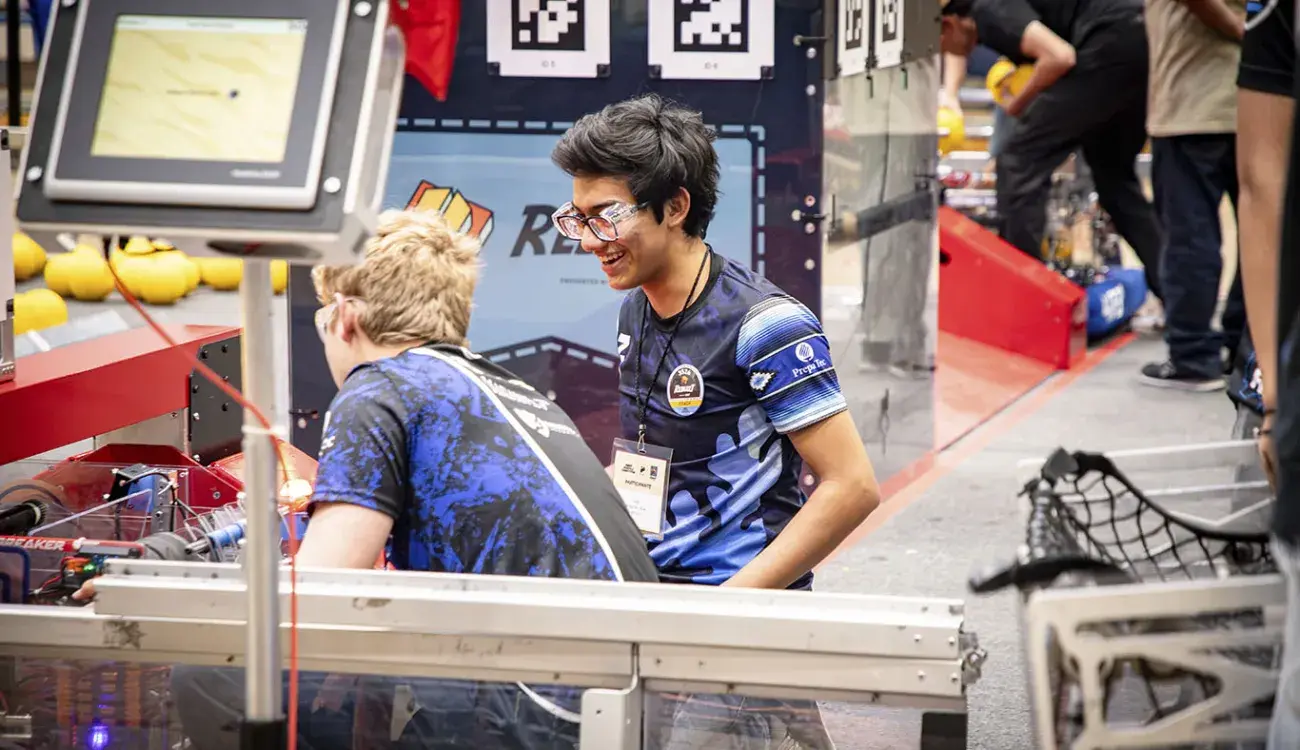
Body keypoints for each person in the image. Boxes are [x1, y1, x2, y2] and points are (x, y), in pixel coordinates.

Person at [84, 210, 660, 750]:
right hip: (624, 703)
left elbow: (318, 592)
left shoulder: (382, 388)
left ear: (344, 316)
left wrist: (170, 581)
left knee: (217, 675)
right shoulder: (503, 389)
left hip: (545, 716)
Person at [550, 94, 881, 747]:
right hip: (656, 605)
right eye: (577, 219)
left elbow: (853, 486)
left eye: (606, 217)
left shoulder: (767, 324)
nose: (589, 241)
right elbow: (655, 459)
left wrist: (729, 606)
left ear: (674, 207)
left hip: (736, 626)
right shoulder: (636, 307)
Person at [939, 0, 1165, 302]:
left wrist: (1019, 103)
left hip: (1110, 42)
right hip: (1142, 39)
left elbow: (1059, 57)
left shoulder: (988, 9)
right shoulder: (989, 15)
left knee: (1018, 160)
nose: (945, 52)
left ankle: (1025, 300)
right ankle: (1181, 303)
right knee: (1114, 179)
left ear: (949, 24)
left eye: (940, 45)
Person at [1137, 0, 1247, 391]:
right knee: (1261, 236)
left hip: (1192, 104)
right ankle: (1244, 350)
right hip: (1252, 104)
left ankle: (1193, 356)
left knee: (1190, 236)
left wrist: (1240, 30)